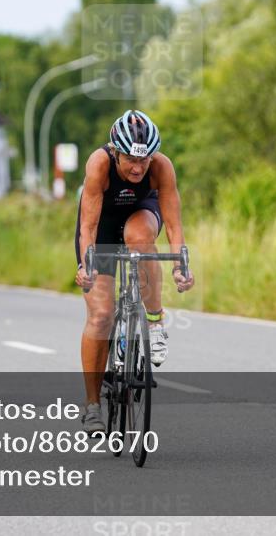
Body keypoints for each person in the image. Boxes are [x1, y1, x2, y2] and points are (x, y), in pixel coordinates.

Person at [73, 110, 195, 434]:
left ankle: (154, 324)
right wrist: (86, 266)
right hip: (102, 227)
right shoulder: (99, 164)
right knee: (101, 316)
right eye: (131, 160)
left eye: (145, 159)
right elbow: (88, 226)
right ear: (116, 151)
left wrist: (182, 266)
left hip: (141, 215)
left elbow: (173, 225)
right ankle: (92, 404)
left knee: (141, 239)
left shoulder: (161, 167)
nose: (139, 168)